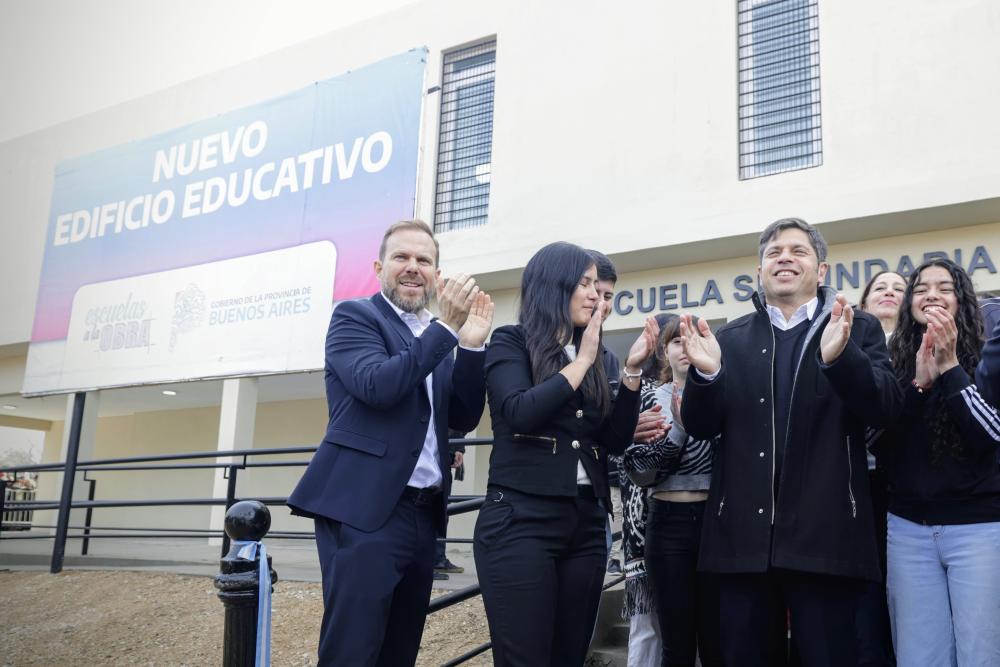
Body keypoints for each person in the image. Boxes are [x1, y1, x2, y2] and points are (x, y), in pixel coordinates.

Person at [679, 217, 902, 666]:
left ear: (821, 271)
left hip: (828, 537)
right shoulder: (729, 338)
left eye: (798, 251)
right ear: (759, 270)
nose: (785, 257)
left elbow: (886, 408)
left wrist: (843, 360)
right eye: (774, 252)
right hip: (742, 541)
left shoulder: (856, 328)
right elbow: (701, 427)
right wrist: (706, 376)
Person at [287, 219, 494, 666]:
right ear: (380, 266)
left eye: (424, 260)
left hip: (423, 514)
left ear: (436, 274)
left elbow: (461, 417)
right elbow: (378, 386)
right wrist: (446, 330)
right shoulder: (355, 316)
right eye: (402, 257)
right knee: (353, 650)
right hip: (366, 512)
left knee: (400, 650)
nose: (413, 267)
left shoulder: (434, 336)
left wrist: (472, 348)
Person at [473, 241, 658, 667]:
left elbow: (611, 440)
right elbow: (518, 412)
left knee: (568, 655)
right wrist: (581, 362)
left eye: (599, 286)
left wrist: (630, 374)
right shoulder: (510, 341)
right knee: (525, 656)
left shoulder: (598, 357)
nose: (597, 295)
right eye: (586, 284)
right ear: (554, 286)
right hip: (520, 520)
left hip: (586, 524)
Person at [876, 258, 1000, 666]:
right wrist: (917, 385)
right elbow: (883, 445)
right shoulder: (893, 355)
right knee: (918, 654)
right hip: (908, 528)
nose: (931, 294)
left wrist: (949, 369)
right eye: (922, 287)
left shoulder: (988, 352)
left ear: (962, 300)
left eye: (944, 287)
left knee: (980, 652)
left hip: (979, 528)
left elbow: (990, 437)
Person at [625, 314, 723, 667]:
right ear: (665, 351)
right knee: (677, 646)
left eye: (693, 338)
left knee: (717, 642)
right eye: (677, 340)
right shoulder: (651, 398)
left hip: (717, 524)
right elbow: (641, 471)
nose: (686, 347)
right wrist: (679, 430)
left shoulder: (724, 395)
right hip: (667, 525)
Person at [855, 270, 906, 666]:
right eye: (880, 289)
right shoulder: (851, 344)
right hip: (856, 484)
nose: (889, 293)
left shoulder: (919, 346)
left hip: (903, 488)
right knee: (864, 590)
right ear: (864, 304)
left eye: (899, 289)